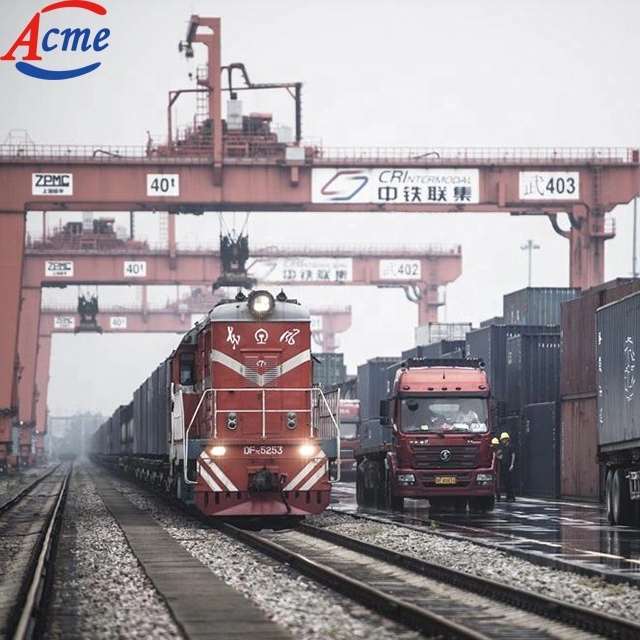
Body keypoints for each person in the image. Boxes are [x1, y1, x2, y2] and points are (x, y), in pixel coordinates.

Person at [499, 432, 516, 502]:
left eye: (503, 439)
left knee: (509, 482)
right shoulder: (504, 448)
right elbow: (502, 457)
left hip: (509, 466)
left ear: (507, 439)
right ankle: (508, 497)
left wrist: (512, 464)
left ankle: (511, 497)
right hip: (504, 466)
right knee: (506, 482)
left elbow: (513, 455)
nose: (502, 441)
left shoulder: (510, 447)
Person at [490, 437, 503, 501]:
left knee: (497, 484)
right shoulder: (490, 451)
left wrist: (496, 455)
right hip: (492, 469)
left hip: (497, 469)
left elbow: (501, 458)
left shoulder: (499, 451)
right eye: (493, 444)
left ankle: (498, 497)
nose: (494, 446)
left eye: (495, 445)